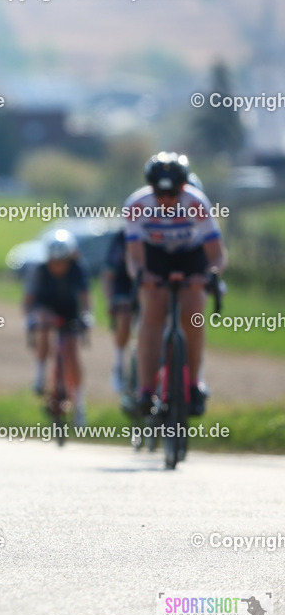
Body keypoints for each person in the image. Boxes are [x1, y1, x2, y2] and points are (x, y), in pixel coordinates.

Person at [124, 151, 227, 417]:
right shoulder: (137, 204)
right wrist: (141, 276)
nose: (167, 200)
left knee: (193, 312)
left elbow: (216, 254)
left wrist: (208, 275)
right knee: (152, 311)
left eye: (172, 195)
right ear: (151, 188)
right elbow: (135, 259)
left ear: (184, 187)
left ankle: (193, 385)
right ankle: (146, 390)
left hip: (191, 255)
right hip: (155, 256)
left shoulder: (196, 202)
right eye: (160, 194)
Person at [24, 230, 93, 427]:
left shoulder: (77, 268)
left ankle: (79, 406)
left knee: (72, 352)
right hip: (46, 308)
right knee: (44, 326)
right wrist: (30, 318)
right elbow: (28, 301)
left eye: (62, 261)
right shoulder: (39, 270)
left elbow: (85, 297)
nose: (58, 266)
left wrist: (87, 315)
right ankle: (39, 376)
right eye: (54, 262)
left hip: (69, 310)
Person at [102, 228, 135, 394]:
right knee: (124, 317)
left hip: (151, 284)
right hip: (124, 287)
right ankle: (119, 365)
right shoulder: (122, 237)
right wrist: (110, 301)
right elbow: (108, 274)